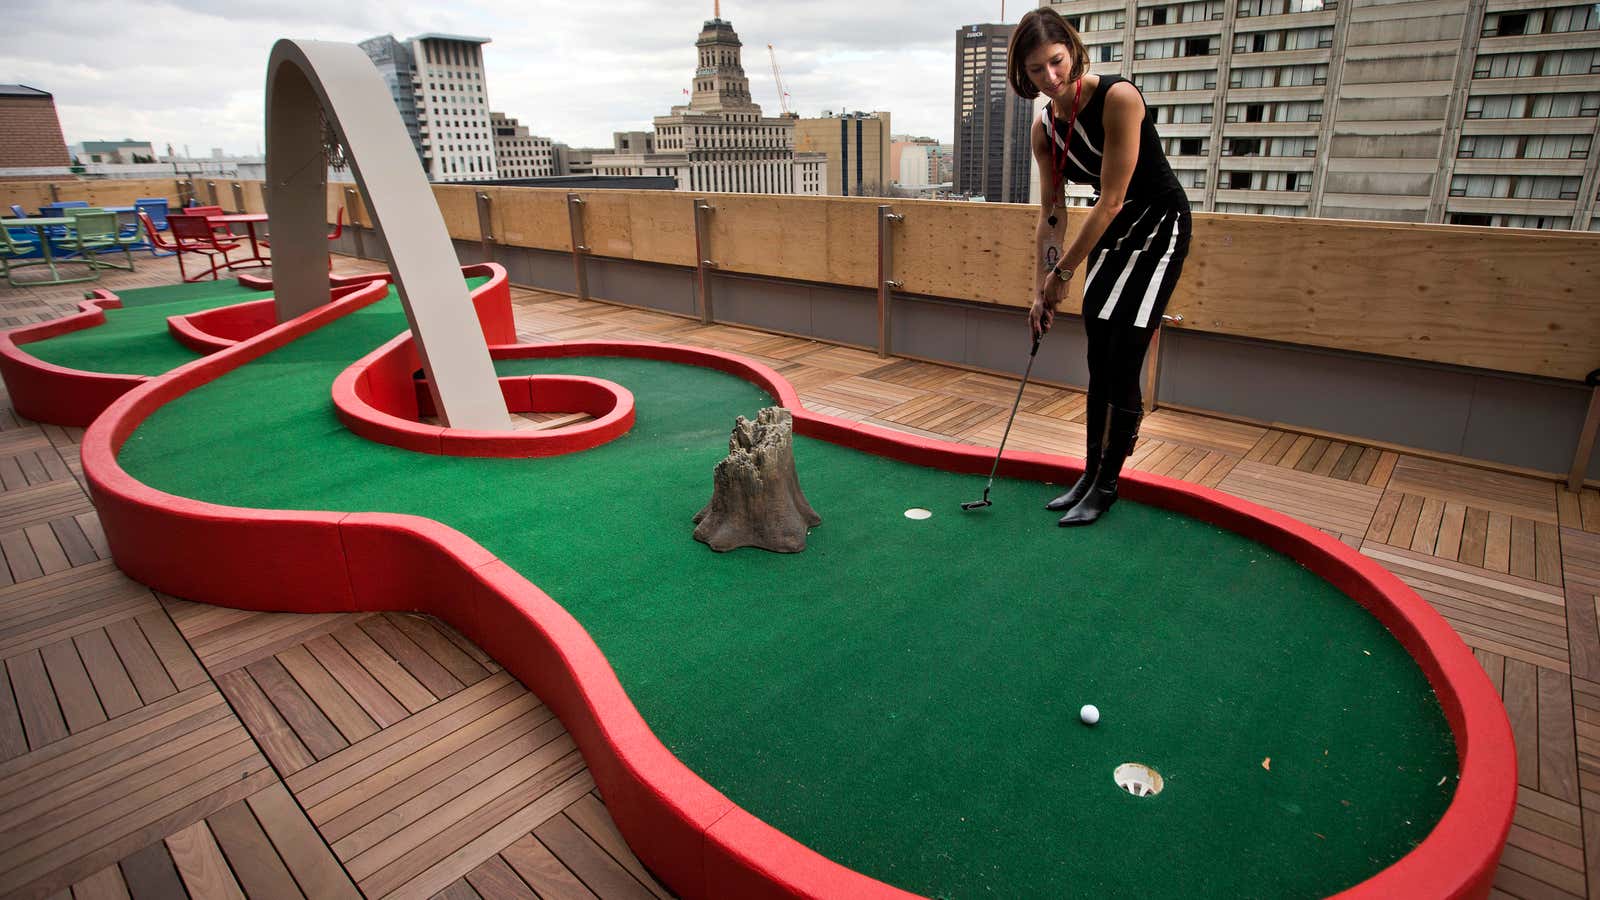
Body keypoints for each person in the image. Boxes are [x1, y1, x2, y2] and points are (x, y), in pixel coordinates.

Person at [1007, 8, 1192, 527]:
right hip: (1109, 233)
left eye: (1056, 62)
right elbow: (1052, 213)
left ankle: (1107, 486)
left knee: (1123, 351)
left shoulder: (1118, 98)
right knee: (1098, 352)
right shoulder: (1044, 128)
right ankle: (1088, 475)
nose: (1051, 77)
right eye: (1037, 71)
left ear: (1073, 49)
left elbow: (1110, 199)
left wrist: (1062, 274)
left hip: (1157, 226)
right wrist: (1040, 289)